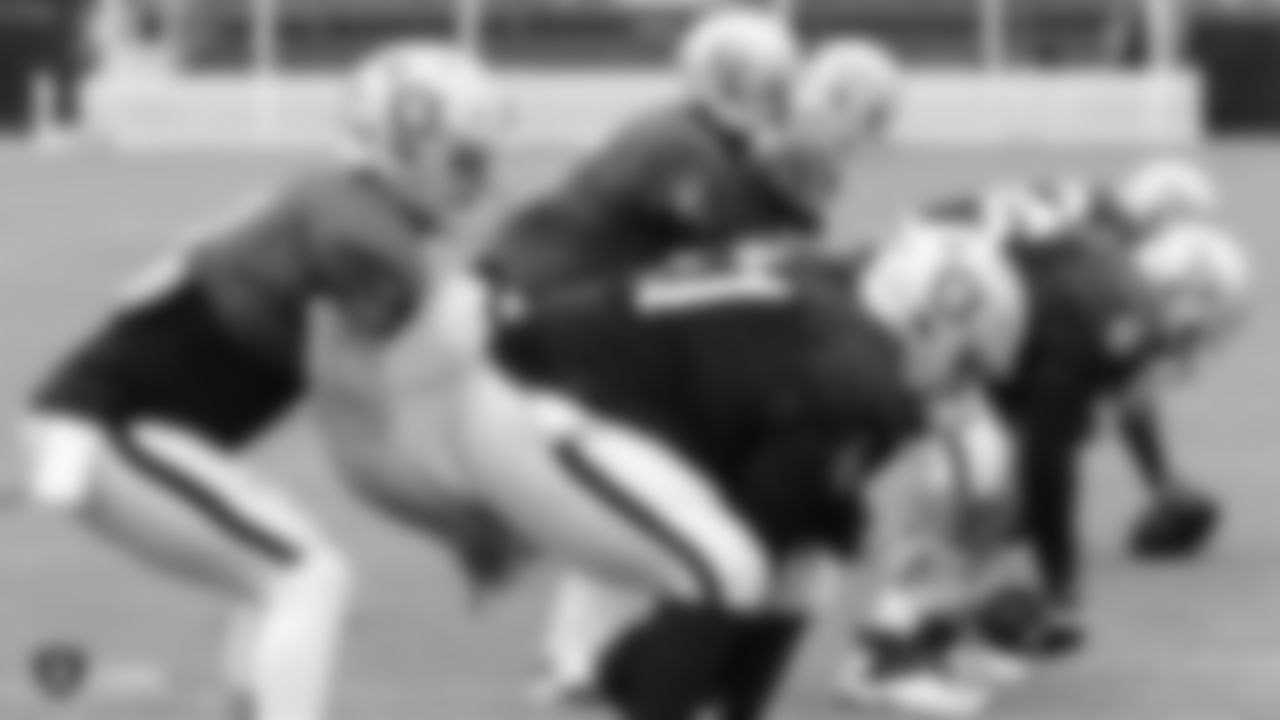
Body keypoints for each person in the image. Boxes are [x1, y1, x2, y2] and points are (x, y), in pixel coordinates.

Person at [9, 42, 511, 720]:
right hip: (115, 429)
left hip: (108, 419)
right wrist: (465, 525)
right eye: (464, 159)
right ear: (406, 147)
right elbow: (358, 446)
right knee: (308, 577)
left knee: (275, 578)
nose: (480, 181)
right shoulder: (363, 239)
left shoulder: (333, 199)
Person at [408, 213, 1025, 720]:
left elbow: (778, 480)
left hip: (589, 403)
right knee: (727, 567)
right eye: (968, 363)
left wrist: (839, 520)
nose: (965, 388)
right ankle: (629, 684)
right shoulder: (862, 372)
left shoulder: (841, 320)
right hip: (537, 399)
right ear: (929, 325)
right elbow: (766, 506)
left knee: (806, 568)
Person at [501, 30, 904, 703]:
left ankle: (596, 652)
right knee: (657, 486)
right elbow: (737, 255)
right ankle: (585, 655)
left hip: (625, 328)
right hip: (616, 338)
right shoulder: (728, 150)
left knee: (660, 493)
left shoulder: (717, 140)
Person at [834, 180, 1250, 718]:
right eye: (1207, 317)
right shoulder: (1111, 306)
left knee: (990, 481)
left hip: (936, 286)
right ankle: (885, 654)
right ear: (1182, 295)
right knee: (980, 473)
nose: (1199, 339)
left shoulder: (1107, 278)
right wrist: (1061, 583)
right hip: (919, 293)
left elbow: (1048, 415)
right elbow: (1047, 456)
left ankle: (933, 634)